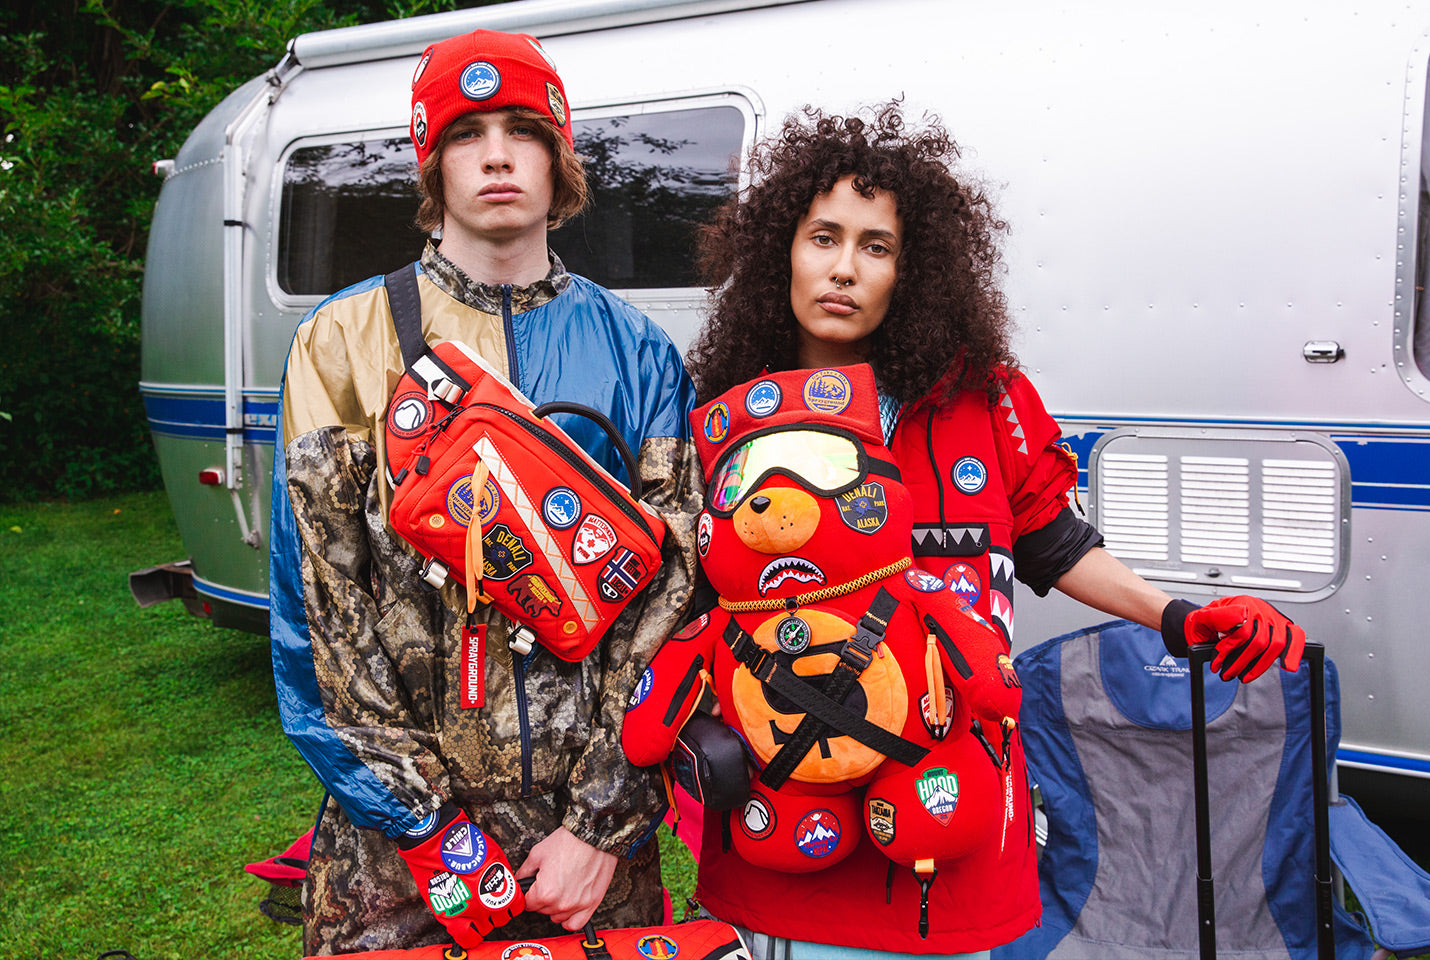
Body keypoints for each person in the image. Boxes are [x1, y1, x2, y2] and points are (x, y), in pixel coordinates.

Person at [682, 102, 1305, 956]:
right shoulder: (726, 418)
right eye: (823, 237)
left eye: (877, 246)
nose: (844, 269)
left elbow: (1055, 542)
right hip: (789, 810)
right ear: (779, 252)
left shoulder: (986, 398)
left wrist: (1176, 617)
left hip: (950, 811)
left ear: (913, 271)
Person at [269, 29, 701, 955]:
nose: (498, 155)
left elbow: (677, 601)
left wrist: (600, 827)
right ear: (432, 160)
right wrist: (428, 830)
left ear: (558, 157)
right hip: (397, 856)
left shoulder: (638, 352)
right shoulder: (340, 343)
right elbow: (318, 613)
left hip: (592, 859)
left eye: (523, 130)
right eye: (467, 133)